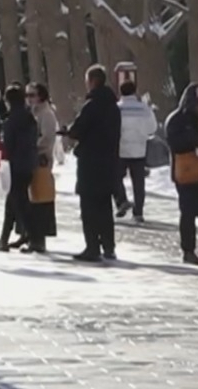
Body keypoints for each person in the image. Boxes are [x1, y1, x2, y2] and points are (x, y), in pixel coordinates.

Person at [65, 65, 122, 263]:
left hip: (90, 162)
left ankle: (92, 246)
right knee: (105, 206)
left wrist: (70, 131)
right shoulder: (113, 107)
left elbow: (78, 130)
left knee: (89, 207)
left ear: (91, 81)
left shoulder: (91, 105)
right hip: (108, 161)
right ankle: (108, 245)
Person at [165, 83, 198, 265]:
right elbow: (175, 142)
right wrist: (196, 141)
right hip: (186, 174)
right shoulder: (177, 120)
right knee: (188, 213)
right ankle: (188, 250)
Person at [0, 84, 38, 253]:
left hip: (15, 165)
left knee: (19, 202)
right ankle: (4, 238)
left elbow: (8, 145)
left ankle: (32, 236)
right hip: (28, 163)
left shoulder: (11, 121)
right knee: (14, 202)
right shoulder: (29, 118)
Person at [115, 81, 158, 222]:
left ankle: (122, 201)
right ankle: (138, 212)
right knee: (138, 182)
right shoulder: (144, 108)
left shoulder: (117, 109)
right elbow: (152, 128)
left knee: (115, 177)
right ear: (135, 91)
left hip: (120, 150)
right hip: (139, 150)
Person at [24, 83, 58, 253]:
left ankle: (40, 238)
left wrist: (32, 146)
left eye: (32, 95)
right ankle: (31, 236)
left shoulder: (46, 114)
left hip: (41, 159)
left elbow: (47, 137)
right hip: (30, 158)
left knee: (40, 197)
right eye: (27, 95)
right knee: (32, 197)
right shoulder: (31, 113)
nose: (29, 99)